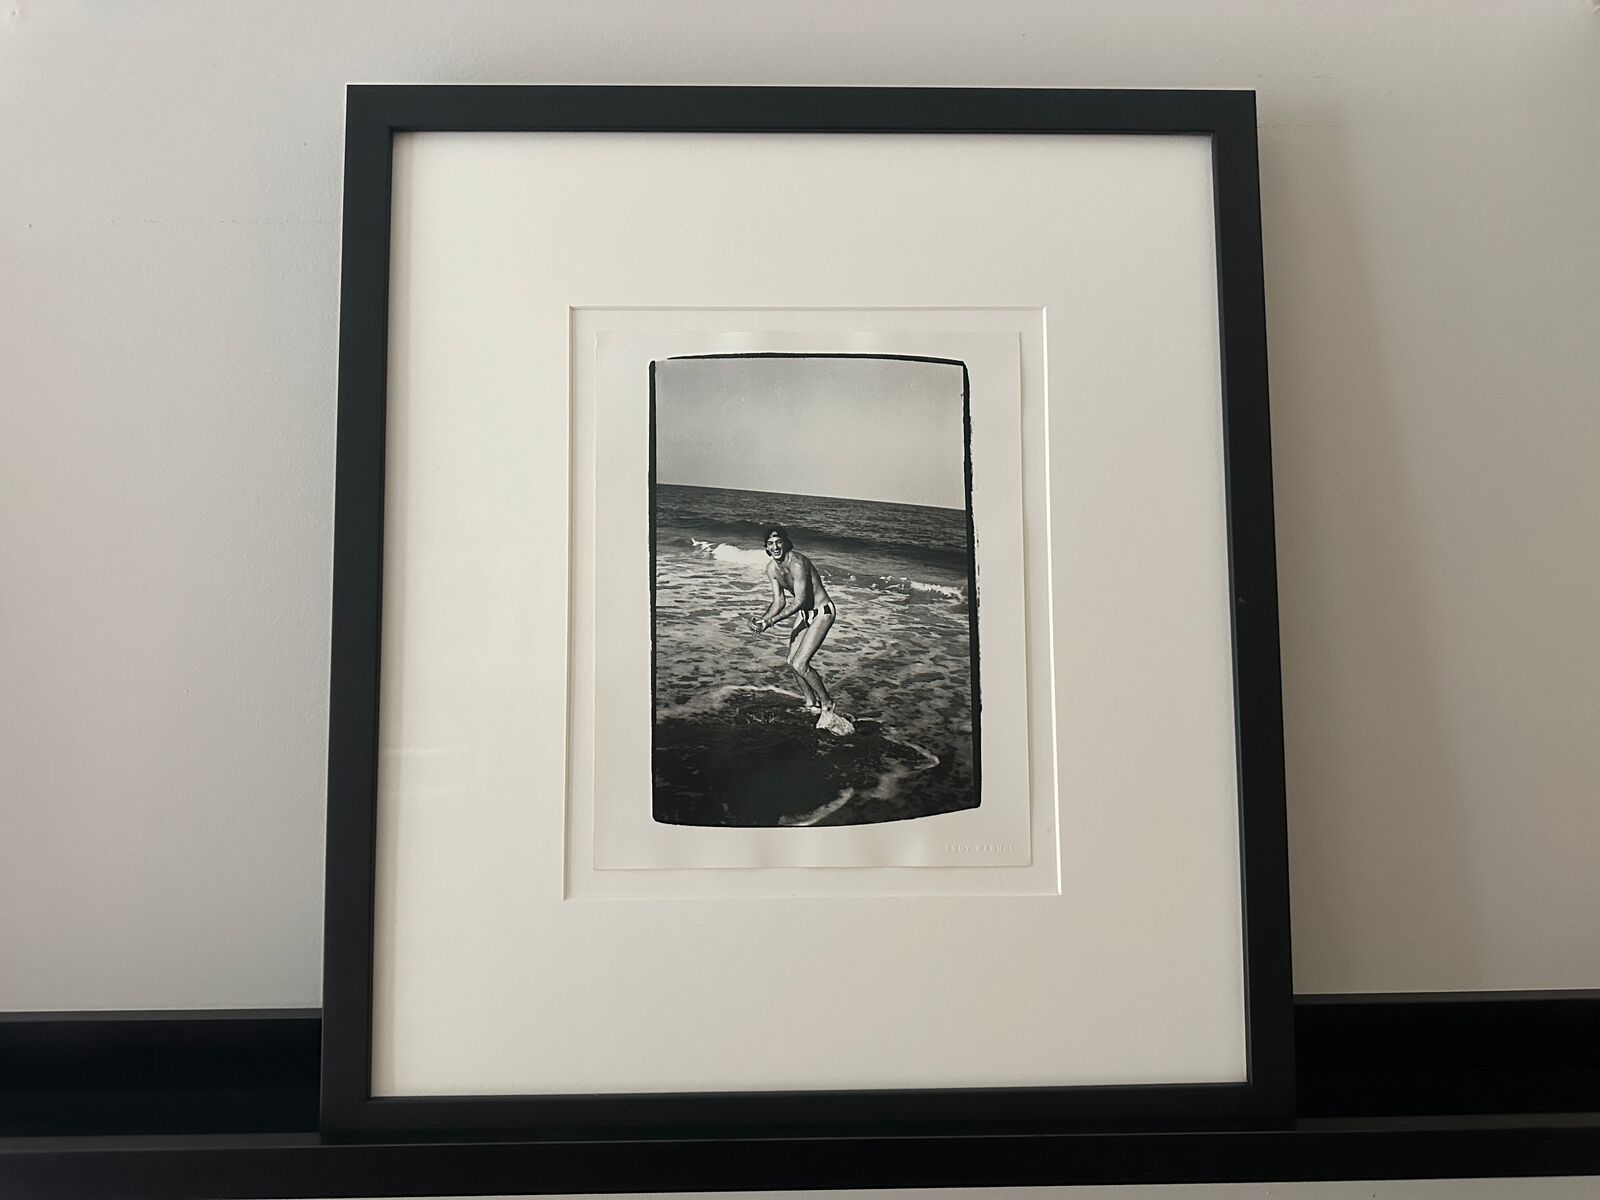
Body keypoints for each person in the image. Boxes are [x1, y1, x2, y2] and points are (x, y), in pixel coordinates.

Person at [747, 524, 845, 728]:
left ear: (785, 543)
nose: (775, 547)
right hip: (805, 614)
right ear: (766, 547)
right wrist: (763, 620)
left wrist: (771, 621)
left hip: (822, 612)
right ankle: (811, 702)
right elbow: (779, 602)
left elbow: (799, 601)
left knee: (800, 663)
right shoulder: (771, 569)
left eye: (778, 542)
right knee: (791, 662)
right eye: (770, 543)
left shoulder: (798, 563)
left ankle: (827, 704)